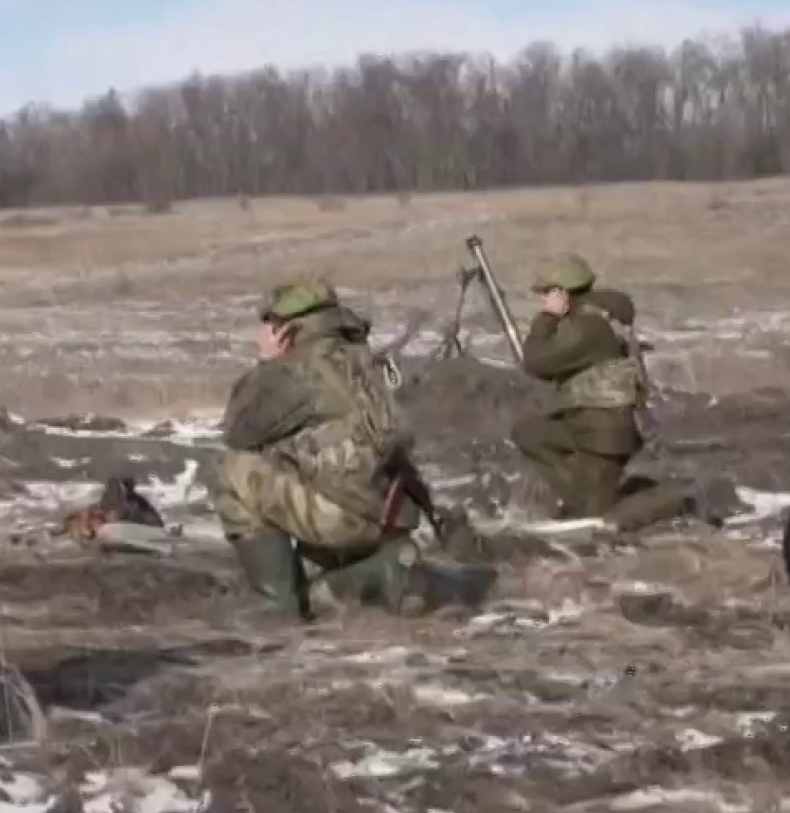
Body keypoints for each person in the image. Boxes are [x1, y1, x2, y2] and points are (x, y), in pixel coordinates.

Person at [212, 279, 496, 623]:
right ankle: (379, 570)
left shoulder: (299, 369)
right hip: (389, 512)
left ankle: (277, 605)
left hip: (346, 516)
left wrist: (266, 364)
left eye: (268, 324)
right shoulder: (363, 360)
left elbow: (238, 430)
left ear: (285, 329)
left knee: (229, 470)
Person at [509, 254, 686, 530]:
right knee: (530, 433)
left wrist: (546, 319)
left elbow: (536, 362)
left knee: (588, 522)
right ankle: (583, 492)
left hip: (603, 436)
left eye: (547, 293)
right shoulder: (593, 318)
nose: (543, 300)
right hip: (585, 425)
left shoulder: (587, 327)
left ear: (562, 293)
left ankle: (660, 505)